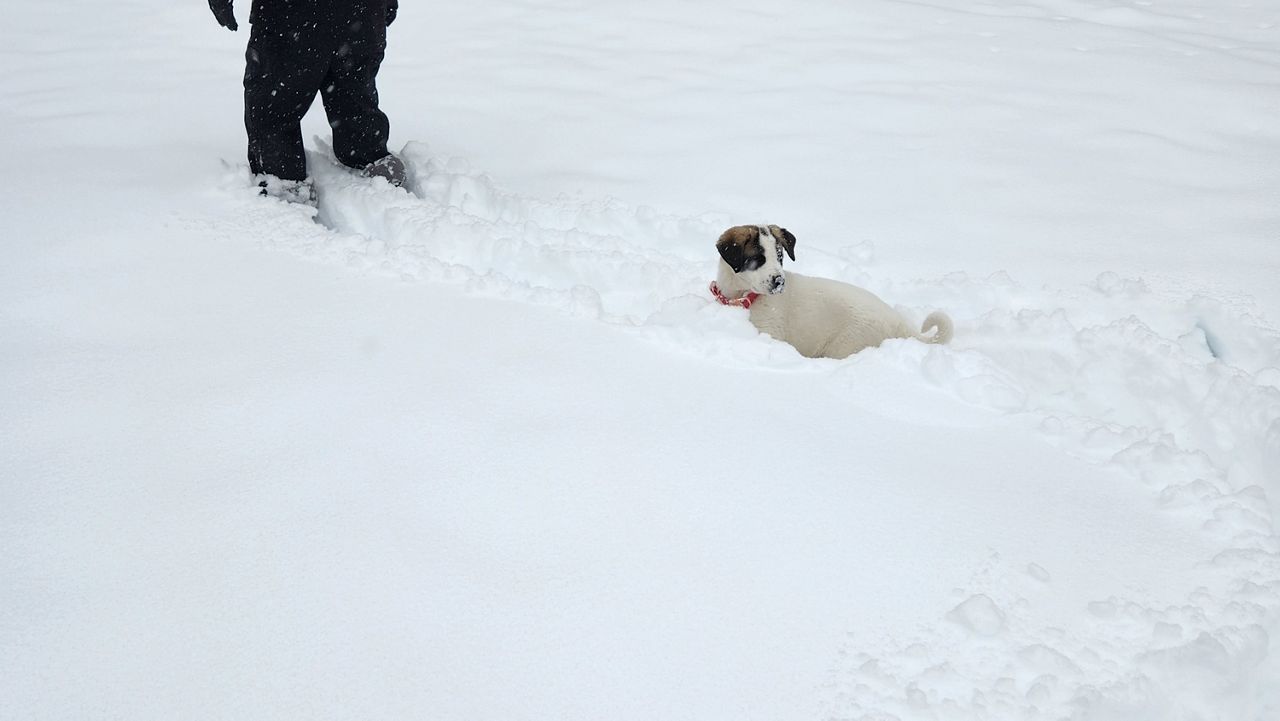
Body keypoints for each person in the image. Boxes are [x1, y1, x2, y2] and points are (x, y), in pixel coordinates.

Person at [208, 0, 406, 203]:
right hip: (362, 14)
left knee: (275, 104)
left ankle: (284, 181)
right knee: (353, 91)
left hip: (291, 18)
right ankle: (369, 153)